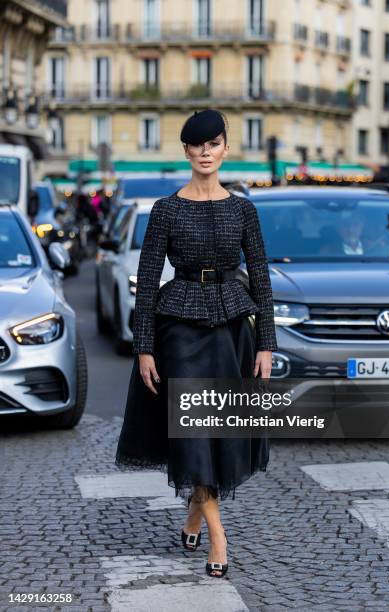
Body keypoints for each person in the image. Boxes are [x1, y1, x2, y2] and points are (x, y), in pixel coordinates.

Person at [115, 108, 278, 578]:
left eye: (213, 143)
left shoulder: (244, 209)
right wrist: (144, 347)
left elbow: (262, 282)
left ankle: (194, 513)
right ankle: (218, 536)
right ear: (186, 150)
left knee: (219, 433)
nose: (205, 152)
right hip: (179, 331)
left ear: (226, 148)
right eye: (196, 145)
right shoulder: (165, 210)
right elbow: (146, 284)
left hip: (232, 332)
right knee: (192, 435)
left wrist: (266, 344)